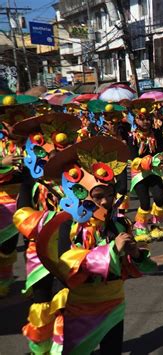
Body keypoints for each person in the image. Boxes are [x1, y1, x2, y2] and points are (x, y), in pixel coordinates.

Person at [14, 136, 157, 354]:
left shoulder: (119, 224)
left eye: (109, 194)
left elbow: (128, 268)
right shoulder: (68, 226)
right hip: (80, 306)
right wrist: (111, 251)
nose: (106, 202)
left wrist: (135, 254)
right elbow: (66, 265)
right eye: (98, 196)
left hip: (114, 302)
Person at [12, 112, 81, 354]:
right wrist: (52, 220)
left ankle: (64, 346)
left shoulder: (76, 177)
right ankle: (40, 346)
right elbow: (21, 212)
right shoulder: (31, 178)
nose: (53, 153)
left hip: (70, 248)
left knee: (67, 299)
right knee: (41, 299)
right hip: (37, 249)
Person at [0, 94, 37, 297]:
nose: (13, 123)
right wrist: (3, 163)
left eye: (17, 119)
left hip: (32, 193)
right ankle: (4, 279)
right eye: (7, 118)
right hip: (5, 198)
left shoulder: (33, 140)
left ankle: (34, 280)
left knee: (33, 241)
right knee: (6, 244)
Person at [127, 99, 163, 243]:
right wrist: (143, 161)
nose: (145, 122)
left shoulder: (157, 133)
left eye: (148, 119)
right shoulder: (132, 137)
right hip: (139, 173)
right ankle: (140, 225)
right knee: (144, 202)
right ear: (136, 120)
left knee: (159, 198)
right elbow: (132, 157)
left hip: (154, 171)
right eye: (142, 119)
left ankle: (155, 225)